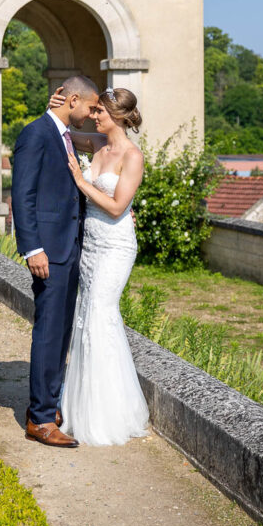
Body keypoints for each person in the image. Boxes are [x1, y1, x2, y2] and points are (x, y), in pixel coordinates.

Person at [50, 85, 150, 446]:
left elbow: (116, 207)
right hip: (90, 244)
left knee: (100, 315)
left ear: (119, 117)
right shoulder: (96, 144)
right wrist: (56, 106)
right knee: (85, 317)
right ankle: (81, 408)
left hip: (116, 245)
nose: (95, 116)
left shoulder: (132, 156)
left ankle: (109, 415)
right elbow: (63, 131)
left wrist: (81, 181)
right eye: (95, 112)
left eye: (101, 112)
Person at [11, 75, 99, 448]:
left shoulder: (63, 134)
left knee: (61, 330)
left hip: (71, 246)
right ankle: (40, 419)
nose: (94, 116)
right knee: (49, 331)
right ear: (73, 99)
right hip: (49, 250)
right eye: (92, 108)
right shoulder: (36, 134)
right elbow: (22, 193)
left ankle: (50, 403)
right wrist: (33, 249)